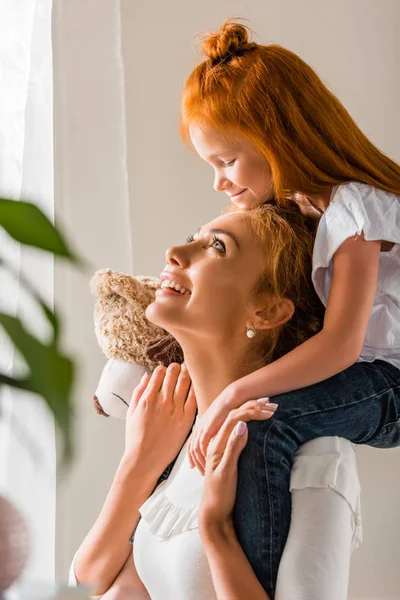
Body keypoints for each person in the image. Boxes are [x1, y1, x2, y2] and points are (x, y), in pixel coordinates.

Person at [180, 19, 400, 597]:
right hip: (366, 375)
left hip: (391, 382)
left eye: (226, 161)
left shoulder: (356, 207)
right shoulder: (305, 211)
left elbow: (341, 344)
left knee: (264, 424)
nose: (220, 182)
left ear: (277, 138)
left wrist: (232, 395)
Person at [69, 202, 361, 599]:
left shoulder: (314, 456)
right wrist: (139, 462)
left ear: (268, 310)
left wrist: (216, 527)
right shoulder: (180, 437)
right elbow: (85, 588)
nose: (175, 252)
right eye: (194, 239)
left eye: (218, 247)